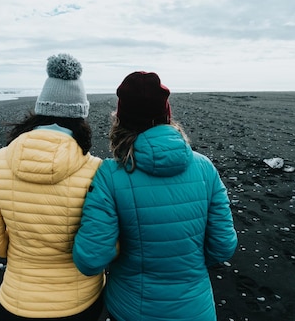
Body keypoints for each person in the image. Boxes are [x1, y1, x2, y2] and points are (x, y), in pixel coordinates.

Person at [73, 71, 238, 321]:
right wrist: (185, 262)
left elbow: (91, 259)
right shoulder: (204, 167)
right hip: (196, 309)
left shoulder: (110, 174)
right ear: (167, 115)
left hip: (131, 309)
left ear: (121, 120)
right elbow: (224, 245)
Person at [0, 53, 104, 321]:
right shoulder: (97, 170)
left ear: (40, 110)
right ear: (81, 115)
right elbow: (105, 246)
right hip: (78, 303)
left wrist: (25, 253)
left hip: (16, 301)